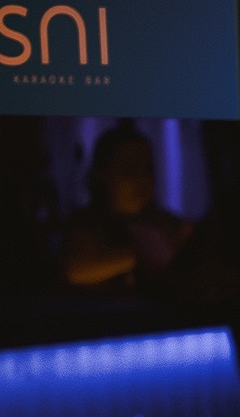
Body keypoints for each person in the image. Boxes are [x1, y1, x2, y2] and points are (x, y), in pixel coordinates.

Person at [62, 121, 191, 290]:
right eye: (130, 168)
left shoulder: (167, 223)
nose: (142, 179)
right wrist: (143, 255)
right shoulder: (86, 223)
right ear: (102, 174)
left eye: (148, 169)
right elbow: (76, 270)